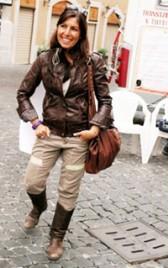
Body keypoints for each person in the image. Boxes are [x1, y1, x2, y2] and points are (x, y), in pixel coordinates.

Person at [16, 5, 112, 261]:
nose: (67, 33)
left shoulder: (93, 62)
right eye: (63, 26)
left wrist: (95, 127)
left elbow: (105, 101)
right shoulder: (45, 60)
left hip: (79, 138)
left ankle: (57, 237)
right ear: (57, 28)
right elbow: (22, 94)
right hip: (49, 134)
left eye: (74, 29)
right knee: (32, 182)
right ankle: (39, 207)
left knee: (69, 190)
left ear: (81, 34)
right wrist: (35, 122)